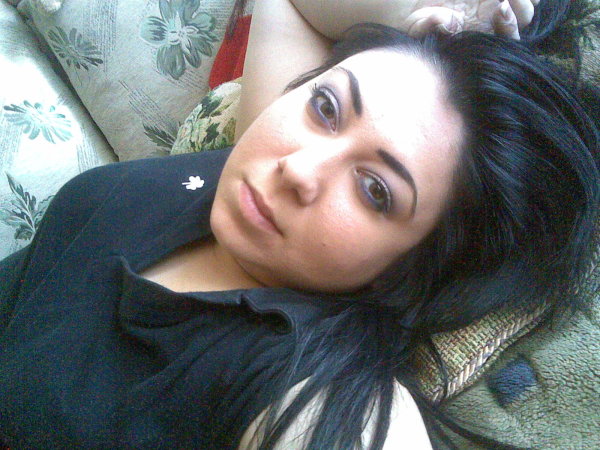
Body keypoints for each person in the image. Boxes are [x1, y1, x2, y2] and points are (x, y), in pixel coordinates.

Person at [0, 0, 597, 448]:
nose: (299, 169)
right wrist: (419, 18)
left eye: (375, 191)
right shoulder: (261, 155)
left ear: (407, 268)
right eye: (327, 106)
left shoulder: (302, 383)